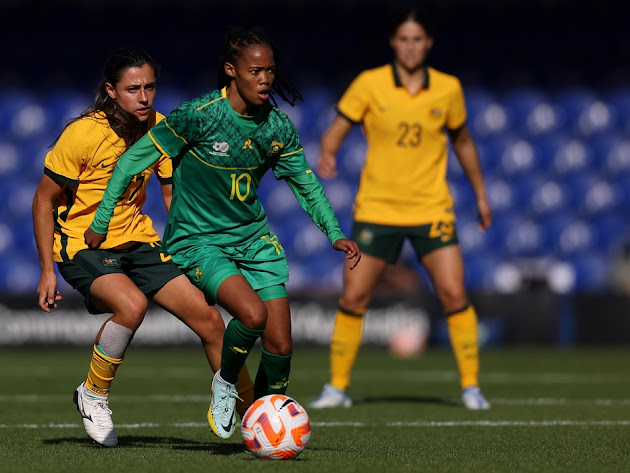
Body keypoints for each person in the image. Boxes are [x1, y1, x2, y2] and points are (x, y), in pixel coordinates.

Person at [84, 27, 361, 440]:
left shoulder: (277, 127)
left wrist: (334, 233)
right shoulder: (198, 116)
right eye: (255, 71)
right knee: (251, 315)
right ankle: (225, 383)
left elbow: (307, 184)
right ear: (231, 71)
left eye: (270, 70)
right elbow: (129, 164)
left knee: (281, 346)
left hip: (253, 240)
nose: (265, 79)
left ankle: (263, 429)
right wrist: (102, 220)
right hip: (199, 242)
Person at [32, 47, 253, 448]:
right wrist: (47, 270)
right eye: (133, 88)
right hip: (84, 244)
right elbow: (43, 200)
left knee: (211, 321)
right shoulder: (83, 134)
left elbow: (173, 200)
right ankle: (93, 394)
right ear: (111, 91)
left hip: (141, 241)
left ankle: (254, 413)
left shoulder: (162, 128)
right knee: (131, 305)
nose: (144, 96)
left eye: (150, 87)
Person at [308, 8, 493, 411]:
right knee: (354, 296)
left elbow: (463, 142)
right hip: (377, 208)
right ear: (394, 42)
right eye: (403, 39)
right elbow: (337, 128)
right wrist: (328, 152)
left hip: (431, 208)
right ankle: (337, 387)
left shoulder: (447, 89)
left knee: (453, 293)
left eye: (418, 39)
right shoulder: (370, 83)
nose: (410, 46)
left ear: (428, 43)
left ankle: (471, 387)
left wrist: (480, 193)